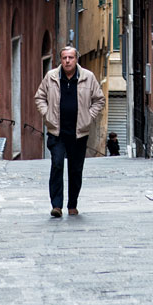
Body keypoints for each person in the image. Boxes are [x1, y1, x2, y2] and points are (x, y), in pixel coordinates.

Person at [34, 46, 105, 218]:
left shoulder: (88, 77)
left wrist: (89, 117)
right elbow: (39, 97)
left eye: (70, 58)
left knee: (75, 169)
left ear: (76, 59)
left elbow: (99, 100)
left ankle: (72, 204)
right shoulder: (51, 77)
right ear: (60, 59)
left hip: (79, 132)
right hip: (56, 131)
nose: (67, 61)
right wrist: (46, 114)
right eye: (64, 58)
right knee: (57, 164)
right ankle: (56, 205)